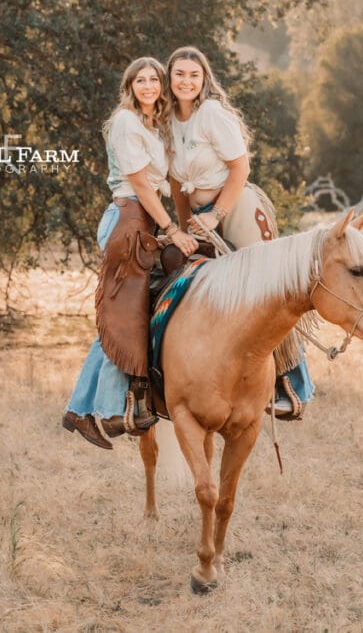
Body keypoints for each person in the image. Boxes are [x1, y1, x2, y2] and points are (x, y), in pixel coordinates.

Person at [165, 46, 315, 418]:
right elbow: (175, 182)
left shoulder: (212, 114)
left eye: (193, 75)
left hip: (236, 206)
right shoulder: (167, 121)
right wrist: (185, 228)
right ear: (169, 79)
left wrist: (216, 214)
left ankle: (292, 384)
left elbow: (240, 168)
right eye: (179, 74)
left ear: (204, 80)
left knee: (266, 290)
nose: (186, 81)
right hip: (200, 216)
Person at [63, 57, 198, 449]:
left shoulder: (155, 126)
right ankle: (104, 410)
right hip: (128, 218)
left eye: (154, 79)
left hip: (144, 221)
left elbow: (168, 181)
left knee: (126, 315)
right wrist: (173, 230)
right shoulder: (125, 122)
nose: (149, 86)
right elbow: (140, 184)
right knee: (125, 318)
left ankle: (81, 410)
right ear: (130, 86)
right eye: (140, 80)